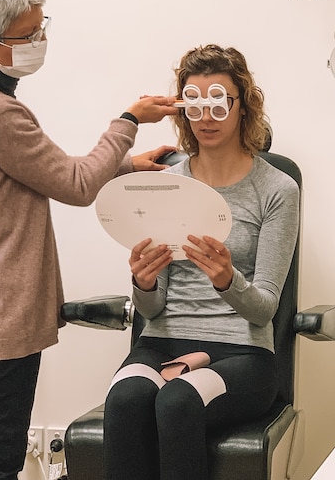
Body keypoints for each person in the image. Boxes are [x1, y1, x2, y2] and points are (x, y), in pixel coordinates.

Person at [0, 0, 178, 480]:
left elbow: (42, 172)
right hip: (0, 310)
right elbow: (75, 185)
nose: (41, 41)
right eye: (29, 35)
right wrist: (128, 122)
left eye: (44, 28)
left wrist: (128, 165)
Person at [102, 44, 301, 480]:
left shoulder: (277, 190)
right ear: (182, 110)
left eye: (218, 102)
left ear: (242, 106)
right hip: (162, 341)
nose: (206, 116)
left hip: (242, 353)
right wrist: (144, 283)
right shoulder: (166, 185)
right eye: (194, 104)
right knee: (124, 400)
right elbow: (152, 311)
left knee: (178, 402)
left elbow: (265, 307)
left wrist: (229, 279)